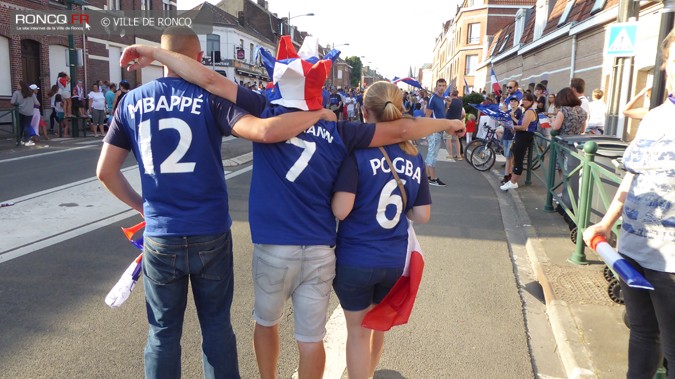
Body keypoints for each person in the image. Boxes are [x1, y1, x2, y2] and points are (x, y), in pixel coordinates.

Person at [120, 36, 465, 379]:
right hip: (319, 250)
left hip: (273, 247)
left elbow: (209, 79)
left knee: (266, 323)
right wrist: (449, 124)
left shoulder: (264, 109)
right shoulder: (338, 129)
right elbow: (402, 129)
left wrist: (153, 52)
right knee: (311, 340)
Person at [98, 27, 338, 379]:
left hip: (161, 235)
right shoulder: (209, 100)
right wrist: (317, 115)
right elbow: (263, 131)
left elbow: (105, 172)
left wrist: (141, 206)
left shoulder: (130, 103)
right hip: (209, 231)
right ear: (197, 59)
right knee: (216, 327)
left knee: (163, 334)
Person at [582, 28, 675, 379]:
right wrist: (606, 224)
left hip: (671, 264)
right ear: (666, 67)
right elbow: (632, 176)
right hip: (634, 250)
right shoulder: (654, 118)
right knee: (642, 336)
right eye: (674, 61)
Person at [331, 81, 431, 379]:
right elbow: (422, 214)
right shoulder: (414, 156)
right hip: (393, 259)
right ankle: (371, 373)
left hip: (356, 258)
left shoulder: (357, 153)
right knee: (376, 326)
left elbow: (341, 209)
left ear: (364, 113)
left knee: (357, 332)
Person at [501, 93, 537, 190]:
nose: (524, 101)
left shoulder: (530, 112)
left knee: (518, 159)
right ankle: (512, 180)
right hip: (520, 136)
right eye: (523, 99)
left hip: (524, 137)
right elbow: (520, 123)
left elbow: (524, 127)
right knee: (516, 159)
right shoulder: (526, 111)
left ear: (531, 101)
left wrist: (511, 127)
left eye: (526, 100)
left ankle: (513, 182)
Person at [425, 78, 449, 186]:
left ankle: (427, 177)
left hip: (439, 130)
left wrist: (447, 105)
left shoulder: (443, 99)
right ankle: (433, 178)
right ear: (436, 87)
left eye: (443, 85)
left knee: (431, 154)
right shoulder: (433, 98)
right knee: (432, 155)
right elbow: (427, 116)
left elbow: (443, 114)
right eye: (439, 85)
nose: (441, 87)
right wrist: (427, 132)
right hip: (433, 131)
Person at [11, 81, 40, 146]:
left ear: (21, 86)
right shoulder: (31, 94)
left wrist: (18, 104)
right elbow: (37, 103)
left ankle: (19, 140)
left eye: (18, 84)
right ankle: (27, 140)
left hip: (19, 111)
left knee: (20, 126)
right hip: (29, 112)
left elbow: (12, 102)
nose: (17, 85)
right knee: (26, 126)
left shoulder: (16, 93)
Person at [500, 96, 520, 185]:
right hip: (506, 135)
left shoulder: (519, 112)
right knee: (508, 157)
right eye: (511, 101)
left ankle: (508, 176)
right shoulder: (507, 112)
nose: (513, 103)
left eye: (514, 101)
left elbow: (520, 123)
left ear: (518, 103)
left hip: (513, 137)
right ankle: (507, 175)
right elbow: (503, 122)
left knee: (510, 157)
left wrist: (512, 117)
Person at [444, 89, 465, 160]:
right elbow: (462, 113)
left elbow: (445, 111)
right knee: (457, 139)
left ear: (451, 94)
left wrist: (447, 104)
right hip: (457, 121)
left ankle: (450, 154)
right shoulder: (460, 102)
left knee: (448, 138)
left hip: (449, 121)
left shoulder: (450, 102)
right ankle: (459, 155)